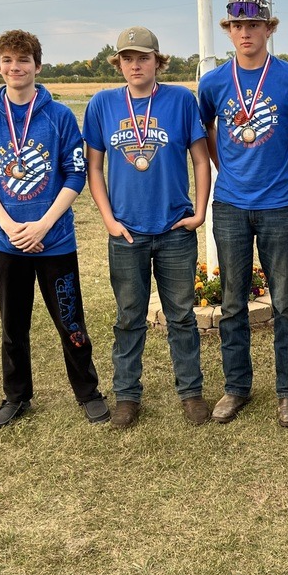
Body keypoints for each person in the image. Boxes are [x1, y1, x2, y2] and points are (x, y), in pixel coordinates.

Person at [0, 29, 108, 431]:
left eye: (23, 60)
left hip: (55, 241)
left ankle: (88, 392)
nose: (16, 67)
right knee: (13, 325)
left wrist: (44, 223)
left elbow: (75, 173)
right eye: (8, 60)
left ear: (37, 66)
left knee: (70, 320)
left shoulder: (59, 116)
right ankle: (16, 395)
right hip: (7, 241)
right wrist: (9, 225)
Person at [83, 26, 211, 428]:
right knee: (128, 316)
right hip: (126, 232)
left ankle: (191, 393)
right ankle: (127, 395)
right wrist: (107, 218)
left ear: (158, 60)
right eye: (127, 58)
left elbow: (201, 160)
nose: (135, 65)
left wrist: (200, 210)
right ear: (118, 63)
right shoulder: (102, 104)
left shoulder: (180, 100)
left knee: (182, 316)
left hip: (174, 229)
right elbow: (94, 167)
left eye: (143, 57)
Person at [198, 0, 288, 427]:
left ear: (269, 28)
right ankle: (236, 387)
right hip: (229, 204)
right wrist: (222, 164)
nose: (245, 33)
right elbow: (206, 129)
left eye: (254, 25)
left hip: (279, 205)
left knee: (284, 301)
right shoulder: (213, 82)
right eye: (236, 26)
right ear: (229, 31)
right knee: (232, 302)